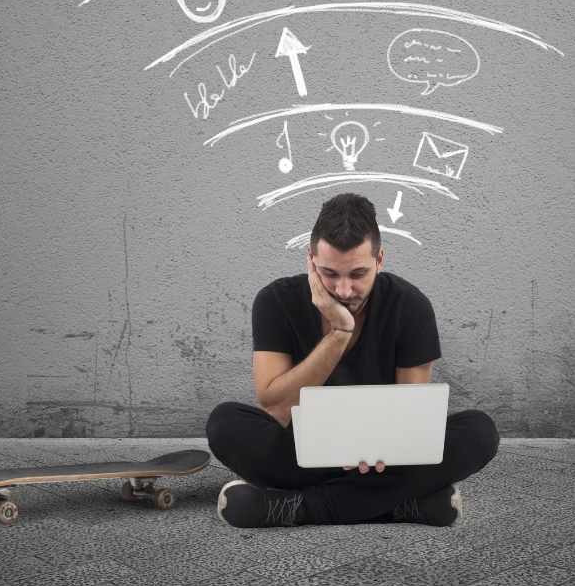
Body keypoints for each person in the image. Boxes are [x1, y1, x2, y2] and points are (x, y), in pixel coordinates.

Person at [206, 192, 500, 528]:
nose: (343, 290)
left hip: (384, 456)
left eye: (357, 274)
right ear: (310, 260)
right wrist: (339, 331)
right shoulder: (275, 301)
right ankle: (398, 505)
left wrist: (376, 448)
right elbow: (276, 407)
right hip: (303, 449)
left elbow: (409, 422)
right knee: (224, 423)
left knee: (480, 432)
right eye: (329, 273)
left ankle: (298, 508)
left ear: (379, 261)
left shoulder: (410, 306)